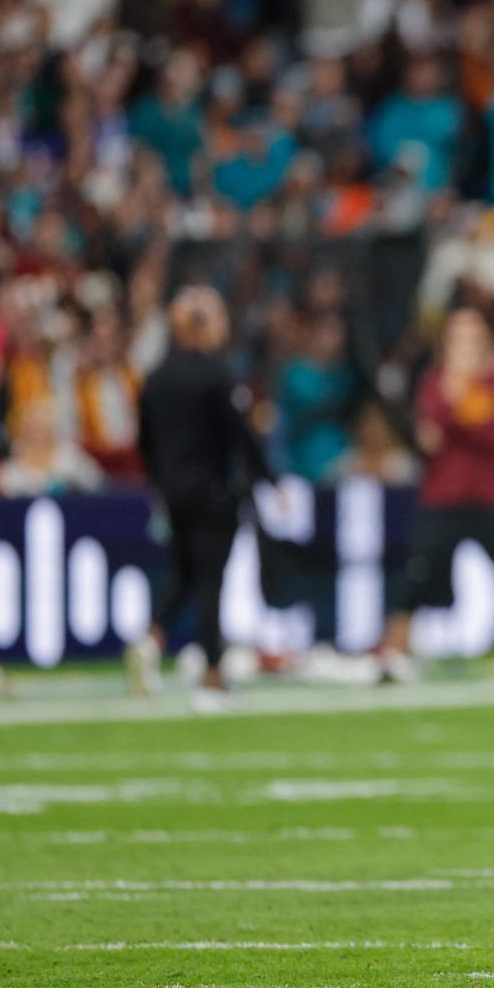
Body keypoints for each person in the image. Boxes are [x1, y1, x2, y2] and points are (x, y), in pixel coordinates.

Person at [377, 308, 494, 680]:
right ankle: (391, 653)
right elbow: (428, 435)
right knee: (417, 574)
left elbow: (492, 431)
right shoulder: (433, 381)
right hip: (443, 495)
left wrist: (455, 411)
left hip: (489, 495)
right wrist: (459, 412)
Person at [131, 286, 274, 711]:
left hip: (173, 492)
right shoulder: (217, 375)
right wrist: (269, 479)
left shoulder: (154, 378)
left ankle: (151, 638)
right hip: (213, 491)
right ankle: (213, 670)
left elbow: (145, 442)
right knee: (211, 579)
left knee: (186, 573)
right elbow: (240, 436)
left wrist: (160, 481)